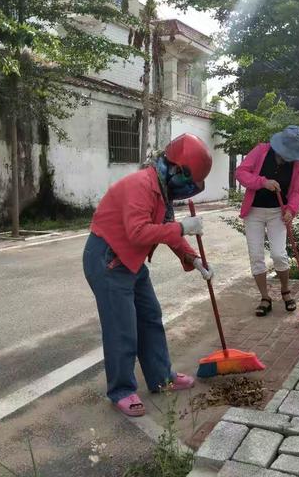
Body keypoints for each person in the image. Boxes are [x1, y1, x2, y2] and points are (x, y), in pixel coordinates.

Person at [83, 133, 213, 417]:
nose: (188, 191)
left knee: (150, 318)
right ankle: (121, 390)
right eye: (190, 184)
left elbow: (167, 228)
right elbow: (138, 231)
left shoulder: (160, 189)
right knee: (122, 328)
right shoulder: (141, 185)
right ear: (178, 170)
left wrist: (193, 257)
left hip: (130, 260)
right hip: (108, 259)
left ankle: (161, 377)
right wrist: (182, 228)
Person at [236, 125, 299, 317]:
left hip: (278, 212)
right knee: (256, 256)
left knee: (278, 254)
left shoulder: (297, 165)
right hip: (254, 213)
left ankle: (285, 290)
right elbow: (241, 172)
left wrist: (291, 210)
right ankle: (265, 298)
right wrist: (262, 182)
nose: (287, 156)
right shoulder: (261, 151)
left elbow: (297, 192)